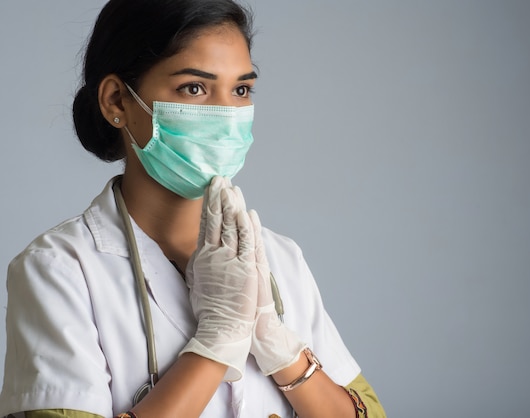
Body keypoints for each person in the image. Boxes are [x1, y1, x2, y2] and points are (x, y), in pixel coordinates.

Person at [0, 0, 385, 417]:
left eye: (240, 90)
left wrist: (279, 348)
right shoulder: (60, 269)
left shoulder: (280, 258)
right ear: (116, 101)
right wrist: (216, 343)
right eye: (194, 88)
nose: (225, 115)